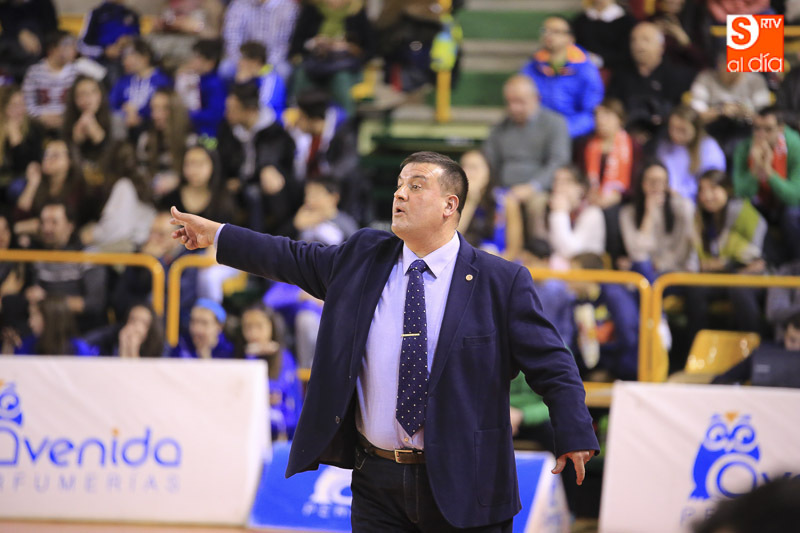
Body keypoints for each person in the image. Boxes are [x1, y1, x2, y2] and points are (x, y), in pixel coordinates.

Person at [170, 150, 598, 531]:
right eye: (398, 185)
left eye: (416, 186)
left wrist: (575, 430)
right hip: (376, 479)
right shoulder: (363, 256)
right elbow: (290, 256)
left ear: (450, 205)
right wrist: (218, 235)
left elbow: (553, 365)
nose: (400, 194)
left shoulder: (500, 281)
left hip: (468, 480)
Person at [688, 169, 766, 339]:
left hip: (753, 273)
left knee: (739, 289)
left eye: (713, 188)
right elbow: (700, 259)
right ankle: (698, 346)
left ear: (727, 189)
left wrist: (726, 263)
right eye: (702, 190)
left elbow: (758, 252)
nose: (707, 196)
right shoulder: (700, 218)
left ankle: (755, 345)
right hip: (722, 275)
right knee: (695, 289)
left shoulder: (741, 210)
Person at [26, 202, 108, 332]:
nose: (46, 228)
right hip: (47, 326)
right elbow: (35, 294)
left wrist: (48, 301)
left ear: (70, 226)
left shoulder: (88, 254)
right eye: (43, 222)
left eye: (54, 222)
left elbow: (94, 304)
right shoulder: (38, 255)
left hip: (81, 328)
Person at [607, 22, 695, 142]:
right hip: (626, 136)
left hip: (666, 138)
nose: (638, 45)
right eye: (633, 40)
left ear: (661, 46)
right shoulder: (620, 74)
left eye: (645, 40)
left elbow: (681, 112)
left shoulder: (677, 75)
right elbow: (613, 105)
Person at [732, 107, 800, 262]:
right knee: (740, 208)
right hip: (760, 204)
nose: (761, 134)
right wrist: (755, 169)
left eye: (768, 129)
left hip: (786, 205)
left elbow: (796, 196)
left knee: (793, 214)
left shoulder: (795, 146)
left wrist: (769, 173)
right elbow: (740, 192)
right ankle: (767, 264)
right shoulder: (744, 148)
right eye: (757, 128)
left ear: (781, 129)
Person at [520, 16, 604, 138]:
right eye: (545, 30)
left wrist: (562, 131)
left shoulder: (585, 68)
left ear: (570, 38)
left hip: (571, 133)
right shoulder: (532, 66)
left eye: (556, 31)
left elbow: (590, 113)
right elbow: (522, 102)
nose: (548, 35)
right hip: (538, 130)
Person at [289, 0, 376, 115]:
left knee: (341, 80)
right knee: (302, 76)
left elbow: (370, 49)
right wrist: (314, 43)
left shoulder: (357, 12)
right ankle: (298, 118)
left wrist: (348, 47)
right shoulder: (312, 10)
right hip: (315, 64)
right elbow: (296, 45)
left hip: (344, 66)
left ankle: (345, 121)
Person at [618, 161, 697, 281]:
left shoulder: (682, 208)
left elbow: (683, 251)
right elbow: (637, 253)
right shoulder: (628, 213)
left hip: (675, 272)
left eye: (662, 181)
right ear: (642, 183)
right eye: (652, 181)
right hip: (643, 274)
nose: (657, 186)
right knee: (641, 266)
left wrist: (661, 264)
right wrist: (649, 214)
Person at [240, 302, 303, 440]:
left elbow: (277, 393)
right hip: (251, 425)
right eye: (248, 327)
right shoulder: (242, 355)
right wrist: (251, 356)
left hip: (284, 426)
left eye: (259, 326)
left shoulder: (284, 357)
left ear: (272, 327)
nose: (253, 333)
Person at [655, 104, 726, 203]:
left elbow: (712, 183)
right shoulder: (665, 146)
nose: (675, 134)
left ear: (695, 129)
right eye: (672, 128)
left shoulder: (709, 148)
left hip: (698, 202)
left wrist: (681, 193)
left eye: (682, 130)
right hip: (668, 199)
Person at [135, 88, 195, 200]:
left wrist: (177, 181)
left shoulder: (190, 140)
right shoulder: (146, 139)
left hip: (181, 199)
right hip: (150, 199)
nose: (156, 115)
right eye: (154, 109)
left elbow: (195, 177)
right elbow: (141, 174)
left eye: (164, 109)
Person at [711, 312, 800, 385]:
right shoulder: (765, 354)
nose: (797, 346)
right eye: (792, 340)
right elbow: (724, 379)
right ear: (785, 336)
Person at [220, 0, 299, 81]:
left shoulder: (288, 7)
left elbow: (283, 44)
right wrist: (242, 63)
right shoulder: (239, 4)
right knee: (226, 69)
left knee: (283, 71)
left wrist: (263, 68)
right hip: (243, 58)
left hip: (272, 61)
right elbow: (231, 38)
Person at [580, 97, 636, 209]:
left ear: (620, 119)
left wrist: (619, 196)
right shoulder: (584, 145)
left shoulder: (634, 146)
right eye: (598, 116)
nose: (601, 120)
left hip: (622, 202)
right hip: (590, 200)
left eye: (607, 115)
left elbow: (636, 183)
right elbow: (579, 176)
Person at [109, 38, 171, 136]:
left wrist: (137, 112)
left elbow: (164, 105)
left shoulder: (162, 80)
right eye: (124, 57)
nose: (125, 61)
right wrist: (126, 110)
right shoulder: (124, 81)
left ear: (144, 57)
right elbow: (112, 102)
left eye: (130, 55)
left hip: (151, 123)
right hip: (126, 124)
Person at [21, 30, 78, 132]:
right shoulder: (34, 72)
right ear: (52, 49)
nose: (72, 50)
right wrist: (41, 117)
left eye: (73, 46)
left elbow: (78, 103)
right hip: (38, 124)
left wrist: (65, 118)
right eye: (67, 45)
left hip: (68, 123)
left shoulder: (77, 72)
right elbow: (27, 103)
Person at [14, 294, 99, 356]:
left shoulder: (78, 348)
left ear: (49, 318)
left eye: (34, 316)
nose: (30, 322)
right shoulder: (27, 345)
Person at [0, 85, 44, 201]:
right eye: (14, 105)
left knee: (17, 187)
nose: (20, 110)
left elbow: (30, 166)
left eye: (22, 104)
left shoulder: (34, 128)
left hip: (20, 182)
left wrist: (16, 142)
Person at [175, 38, 226, 139]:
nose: (192, 60)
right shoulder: (197, 79)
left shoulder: (215, 84)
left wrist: (187, 114)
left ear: (210, 62)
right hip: (195, 131)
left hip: (209, 136)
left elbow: (216, 115)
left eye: (197, 57)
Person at [571, 0, 636, 72]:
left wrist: (599, 60)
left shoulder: (627, 22)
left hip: (619, 71)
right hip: (583, 69)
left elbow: (627, 53)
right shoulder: (580, 21)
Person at [234, 41, 287, 121]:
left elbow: (266, 107)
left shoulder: (271, 78)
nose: (239, 62)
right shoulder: (247, 79)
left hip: (271, 123)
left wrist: (245, 84)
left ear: (256, 61)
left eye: (243, 58)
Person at [170, 297, 234, 358]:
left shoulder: (229, 351)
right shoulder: (181, 345)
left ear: (219, 326)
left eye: (204, 323)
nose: (197, 329)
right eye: (193, 321)